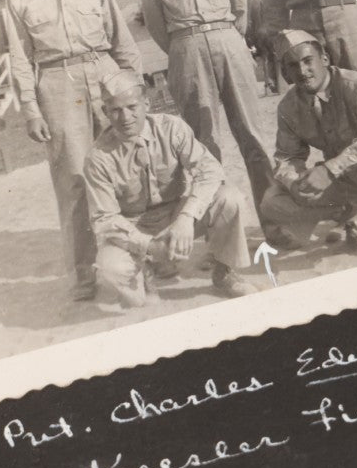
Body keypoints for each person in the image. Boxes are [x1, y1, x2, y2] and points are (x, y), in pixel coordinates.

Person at [2, 0, 141, 301]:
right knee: (75, 183)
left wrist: (133, 84)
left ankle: (141, 255)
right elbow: (19, 59)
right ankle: (84, 271)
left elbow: (121, 38)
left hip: (104, 74)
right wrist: (31, 109)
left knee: (125, 168)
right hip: (58, 84)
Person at [137, 0, 276, 211]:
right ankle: (222, 229)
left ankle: (275, 218)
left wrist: (226, 38)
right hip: (185, 47)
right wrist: (187, 48)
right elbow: (157, 25)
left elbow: (240, 7)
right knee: (204, 144)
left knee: (252, 134)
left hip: (228, 40)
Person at [82, 71, 259, 309]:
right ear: (105, 112)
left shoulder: (171, 128)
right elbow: (104, 219)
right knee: (113, 272)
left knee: (230, 198)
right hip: (134, 225)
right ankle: (146, 270)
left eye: (132, 106)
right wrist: (148, 246)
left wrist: (187, 217)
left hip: (177, 212)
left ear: (147, 103)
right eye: (115, 110)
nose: (125, 117)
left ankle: (224, 272)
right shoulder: (98, 157)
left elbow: (210, 170)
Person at [259, 30, 357, 258]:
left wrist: (329, 168)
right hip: (342, 177)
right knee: (272, 201)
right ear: (285, 73)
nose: (303, 71)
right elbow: (287, 157)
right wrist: (294, 181)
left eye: (308, 61)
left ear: (324, 59)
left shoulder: (354, 84)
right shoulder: (288, 107)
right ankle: (352, 212)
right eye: (293, 66)